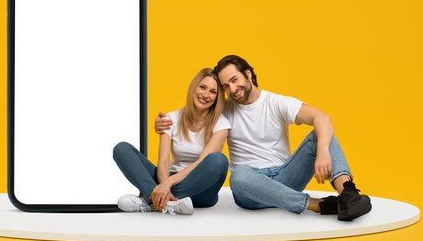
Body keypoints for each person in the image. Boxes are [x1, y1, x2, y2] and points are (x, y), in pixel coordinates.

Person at [156, 55, 371, 221]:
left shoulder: (276, 102)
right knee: (238, 175)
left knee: (322, 131)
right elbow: (197, 114)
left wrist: (323, 150)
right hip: (250, 187)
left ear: (248, 74)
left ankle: (348, 194)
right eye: (226, 87)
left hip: (286, 177)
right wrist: (165, 124)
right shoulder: (223, 109)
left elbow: (321, 117)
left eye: (235, 80)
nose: (232, 89)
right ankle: (317, 204)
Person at [113, 68, 230, 215]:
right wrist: (164, 184)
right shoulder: (170, 118)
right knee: (122, 149)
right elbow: (163, 162)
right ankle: (165, 203)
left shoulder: (222, 124)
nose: (206, 95)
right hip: (169, 178)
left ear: (217, 97)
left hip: (202, 191)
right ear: (194, 87)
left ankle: (152, 200)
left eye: (213, 92)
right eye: (202, 87)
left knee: (218, 160)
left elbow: (201, 161)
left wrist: (167, 184)